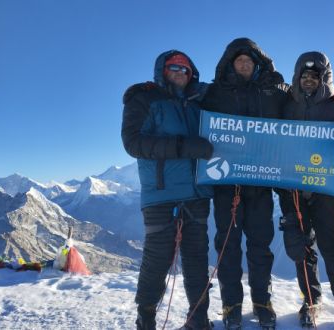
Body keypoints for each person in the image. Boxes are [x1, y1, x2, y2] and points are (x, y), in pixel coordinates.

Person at [122, 50, 214, 330]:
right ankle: (146, 318)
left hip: (197, 193)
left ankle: (198, 319)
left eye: (186, 70)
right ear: (162, 70)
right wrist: (184, 146)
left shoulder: (199, 101)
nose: (180, 73)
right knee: (157, 260)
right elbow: (133, 143)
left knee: (197, 262)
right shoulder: (145, 98)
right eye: (174, 68)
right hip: (161, 195)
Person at [201, 37, 288, 329]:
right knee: (228, 247)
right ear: (229, 64)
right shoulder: (214, 93)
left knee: (260, 245)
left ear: (258, 65)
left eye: (249, 62)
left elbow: (299, 99)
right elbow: (195, 111)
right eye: (239, 61)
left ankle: (262, 302)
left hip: (261, 184)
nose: (244, 65)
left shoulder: (273, 91)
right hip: (227, 184)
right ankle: (231, 306)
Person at [276, 51, 334, 330]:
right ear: (297, 78)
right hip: (292, 190)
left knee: (332, 247)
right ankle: (311, 300)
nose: (309, 80)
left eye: (315, 76)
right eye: (304, 76)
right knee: (300, 249)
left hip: (324, 191)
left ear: (324, 78)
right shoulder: (286, 105)